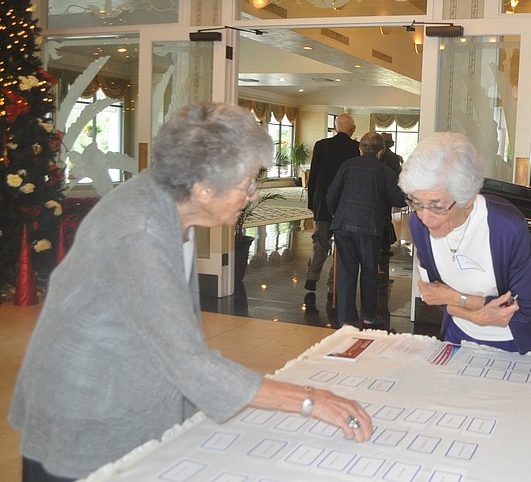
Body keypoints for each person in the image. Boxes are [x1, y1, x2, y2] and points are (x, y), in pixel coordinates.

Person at [9, 103, 373, 482]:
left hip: (129, 392)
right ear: (202, 188)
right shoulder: (140, 230)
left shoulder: (172, 204)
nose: (252, 194)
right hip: (86, 412)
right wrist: (310, 400)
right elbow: (187, 360)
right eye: (247, 183)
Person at [398, 132, 531, 354]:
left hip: (517, 342)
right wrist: (476, 315)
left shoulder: (506, 227)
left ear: (468, 200)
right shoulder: (418, 225)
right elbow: (432, 295)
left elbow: (523, 308)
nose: (425, 217)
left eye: (437, 205)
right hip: (458, 335)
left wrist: (454, 297)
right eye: (417, 203)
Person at [326, 131, 407, 328]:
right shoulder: (385, 172)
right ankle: (369, 315)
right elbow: (398, 199)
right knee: (370, 271)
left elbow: (331, 195)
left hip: (343, 225)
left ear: (360, 149)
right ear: (382, 152)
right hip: (369, 228)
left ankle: (346, 319)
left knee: (346, 271)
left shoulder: (347, 166)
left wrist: (338, 215)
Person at [304, 113, 360, 311]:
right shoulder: (356, 148)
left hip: (323, 203)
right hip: (345, 205)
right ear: (352, 129)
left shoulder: (321, 145)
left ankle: (312, 277)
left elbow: (314, 175)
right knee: (341, 247)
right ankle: (333, 285)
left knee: (320, 241)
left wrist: (313, 203)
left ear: (336, 128)